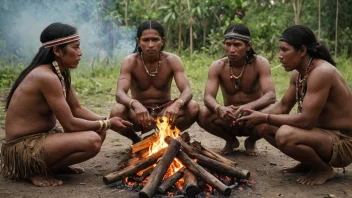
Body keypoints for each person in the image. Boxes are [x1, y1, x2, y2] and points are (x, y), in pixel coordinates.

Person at [0, 23, 132, 187]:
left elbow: (77, 109)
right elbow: (70, 124)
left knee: (99, 132)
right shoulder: (45, 76)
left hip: (42, 139)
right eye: (75, 48)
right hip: (24, 147)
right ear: (57, 51)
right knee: (92, 139)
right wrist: (108, 123)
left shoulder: (59, 72)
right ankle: (33, 170)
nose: (80, 52)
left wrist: (107, 122)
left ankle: (54, 166)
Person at [236, 25, 352, 185]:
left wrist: (264, 116)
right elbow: (283, 106)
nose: (280, 56)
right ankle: (308, 163)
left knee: (284, 135)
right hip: (319, 135)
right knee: (263, 126)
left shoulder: (322, 72)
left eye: (284, 50)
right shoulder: (298, 73)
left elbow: (306, 121)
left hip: (343, 142)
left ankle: (323, 169)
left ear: (302, 51)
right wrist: (252, 114)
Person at [110, 20, 199, 144]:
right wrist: (135, 104)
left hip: (165, 113)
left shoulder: (172, 60)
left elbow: (187, 91)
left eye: (155, 40)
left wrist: (177, 104)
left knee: (193, 106)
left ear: (162, 41)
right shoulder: (130, 61)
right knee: (117, 111)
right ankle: (136, 140)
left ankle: (165, 136)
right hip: (139, 115)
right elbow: (120, 93)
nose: (150, 44)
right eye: (146, 40)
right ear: (138, 42)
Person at [197, 24, 276, 156]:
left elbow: (270, 96)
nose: (232, 49)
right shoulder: (218, 66)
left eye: (237, 45)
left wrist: (247, 107)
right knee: (202, 113)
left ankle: (251, 141)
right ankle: (230, 140)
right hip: (230, 119)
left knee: (275, 110)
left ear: (248, 46)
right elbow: (208, 97)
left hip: (253, 117)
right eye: (228, 44)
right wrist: (219, 108)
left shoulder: (260, 63)